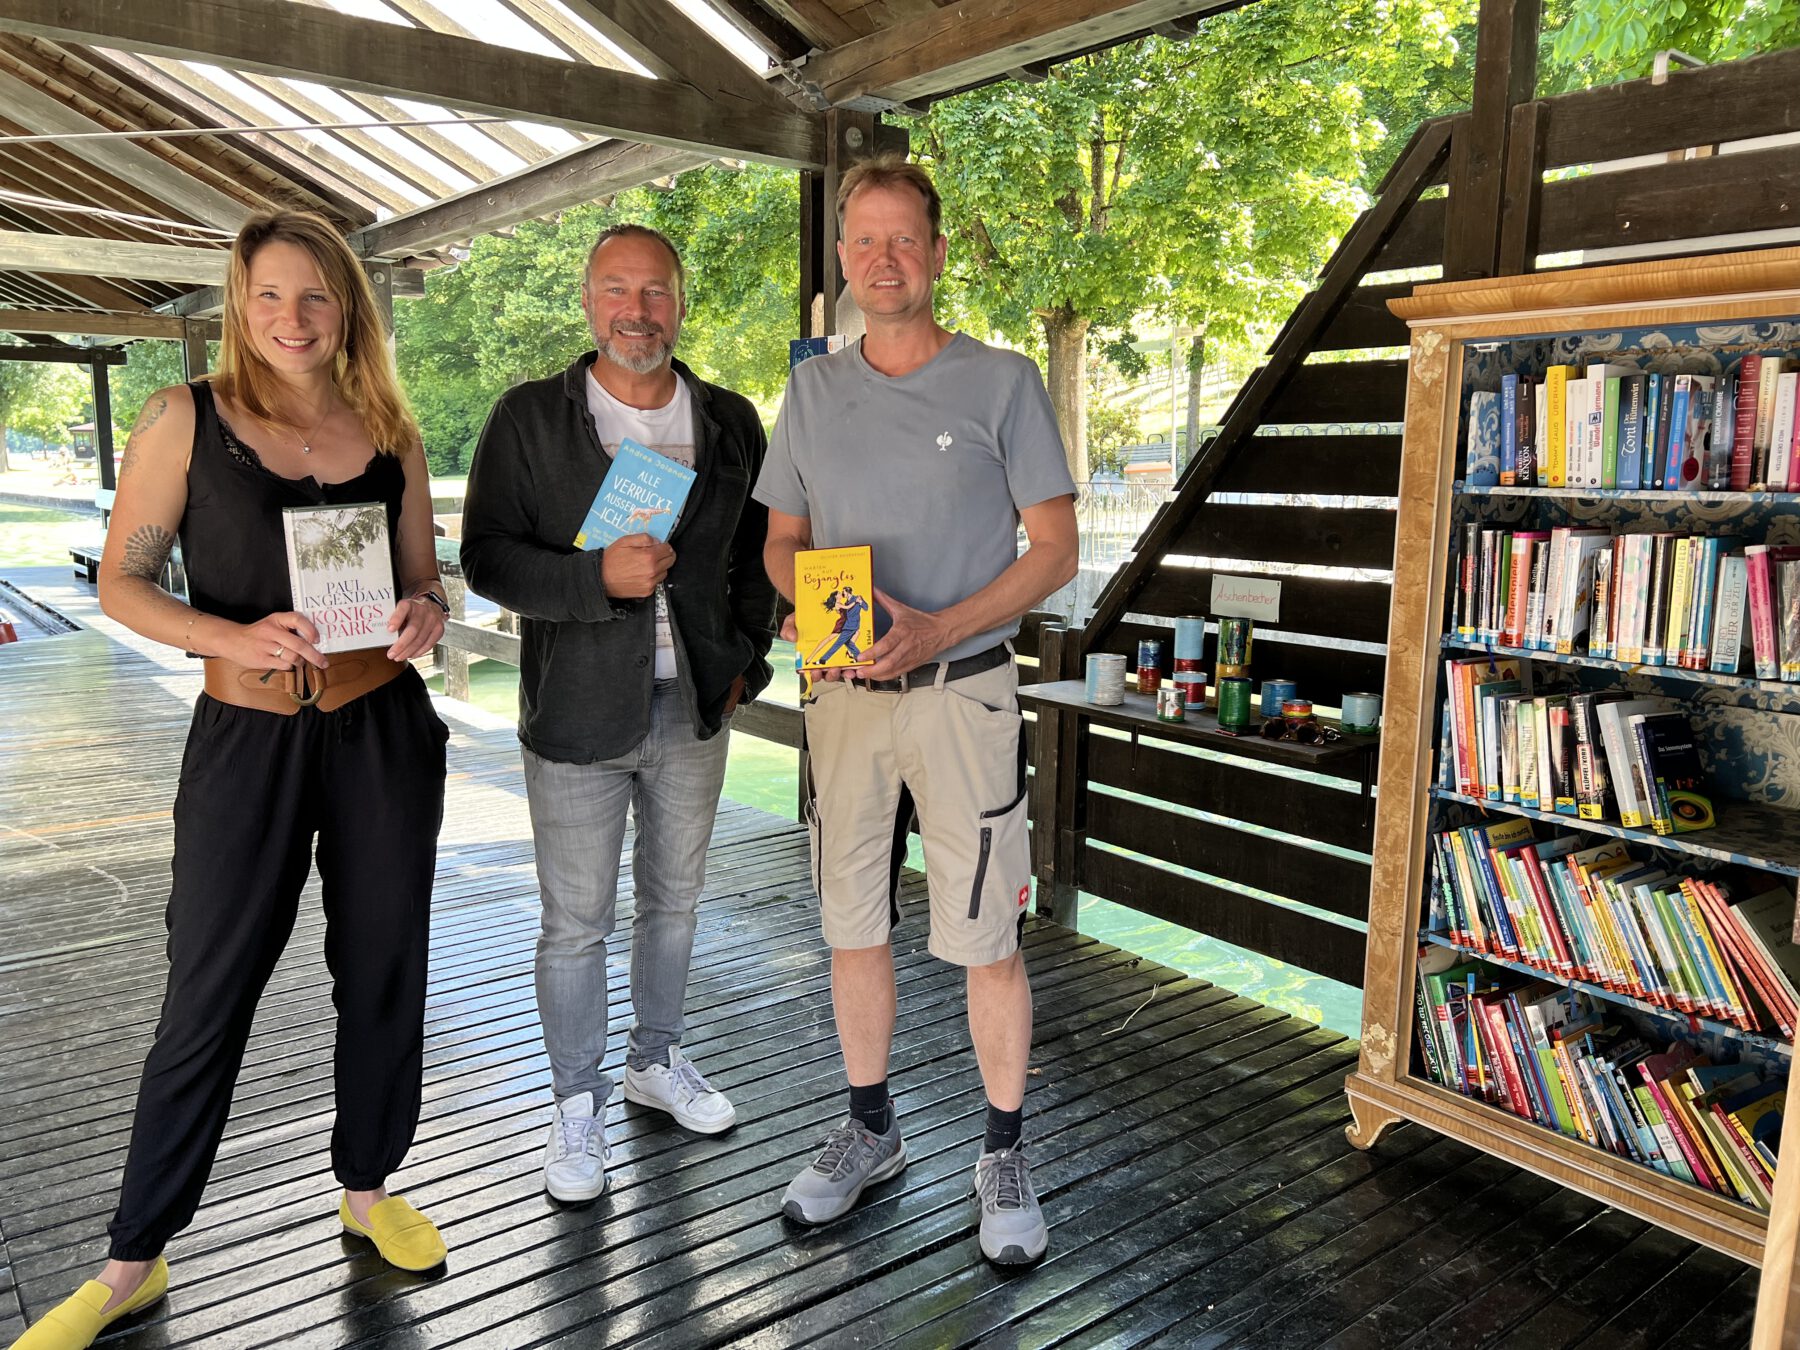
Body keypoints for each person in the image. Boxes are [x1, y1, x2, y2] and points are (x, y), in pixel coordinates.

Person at [10, 211, 451, 1350]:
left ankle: (368, 1186)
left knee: (385, 968)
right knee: (206, 990)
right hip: (247, 739)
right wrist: (230, 635)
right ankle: (131, 1260)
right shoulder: (185, 417)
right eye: (269, 296)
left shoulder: (389, 428)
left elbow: (425, 582)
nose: (292, 318)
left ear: (346, 304)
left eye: (315, 297)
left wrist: (421, 616)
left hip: (380, 731)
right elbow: (123, 581)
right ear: (237, 302)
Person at [755, 156, 1078, 1266]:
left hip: (962, 695)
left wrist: (939, 627)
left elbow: (1057, 552)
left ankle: (1002, 1152)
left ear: (937, 255)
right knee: (852, 922)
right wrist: (804, 608)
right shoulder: (810, 388)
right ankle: (871, 1133)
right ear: (843, 257)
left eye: (904, 239)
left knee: (986, 937)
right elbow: (780, 538)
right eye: (863, 240)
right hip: (844, 698)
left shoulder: (1002, 381)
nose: (882, 259)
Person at [460, 224, 777, 1204]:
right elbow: (487, 559)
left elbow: (758, 557)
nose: (637, 311)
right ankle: (575, 1105)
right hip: (576, 716)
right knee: (575, 924)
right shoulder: (528, 419)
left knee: (676, 906)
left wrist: (744, 667)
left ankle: (655, 1062)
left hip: (691, 711)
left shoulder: (729, 420)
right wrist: (596, 579)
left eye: (656, 292)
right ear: (589, 302)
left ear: (680, 304)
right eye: (616, 290)